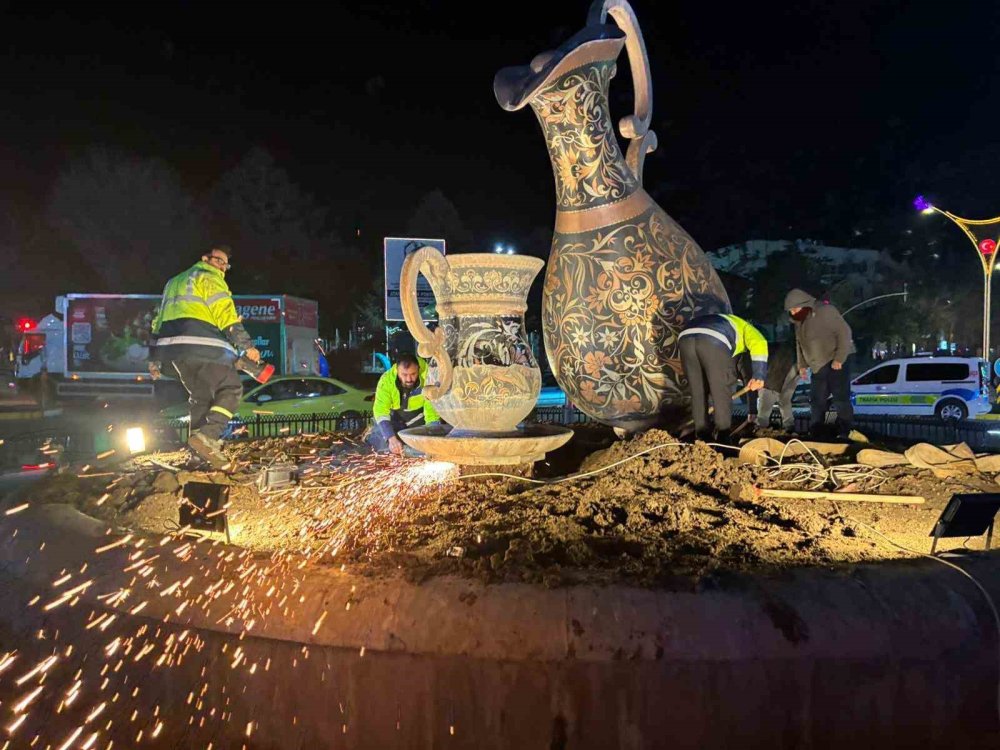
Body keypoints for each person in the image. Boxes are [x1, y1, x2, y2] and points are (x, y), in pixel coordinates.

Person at [148, 245, 260, 469]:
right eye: (218, 260)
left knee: (201, 398)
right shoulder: (208, 277)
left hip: (176, 353)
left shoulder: (174, 282)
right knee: (231, 389)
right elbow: (225, 313)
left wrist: (154, 358)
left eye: (226, 264)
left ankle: (198, 455)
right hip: (203, 346)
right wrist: (247, 346)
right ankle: (208, 436)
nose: (222, 267)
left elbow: (158, 321)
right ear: (204, 258)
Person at [678, 313, 768, 441]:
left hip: (685, 337)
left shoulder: (730, 323)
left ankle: (702, 437)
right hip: (714, 338)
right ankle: (723, 437)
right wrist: (759, 375)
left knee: (698, 392)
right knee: (720, 392)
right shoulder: (749, 329)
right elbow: (760, 343)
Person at [784, 288, 855, 438]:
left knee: (840, 398)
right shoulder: (799, 321)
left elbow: (844, 332)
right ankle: (817, 431)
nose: (793, 313)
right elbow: (799, 344)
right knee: (816, 400)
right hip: (818, 365)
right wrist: (802, 365)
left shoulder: (826, 311)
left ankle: (845, 431)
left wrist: (839, 358)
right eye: (791, 310)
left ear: (805, 304)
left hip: (836, 361)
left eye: (795, 309)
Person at [368, 352, 441, 455]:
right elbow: (381, 411)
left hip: (419, 417)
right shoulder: (386, 381)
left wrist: (433, 433)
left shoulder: (429, 378)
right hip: (394, 417)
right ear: (397, 371)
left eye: (413, 374)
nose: (409, 379)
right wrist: (391, 438)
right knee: (382, 446)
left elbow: (431, 410)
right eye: (404, 375)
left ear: (419, 369)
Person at [756, 340, 798, 431]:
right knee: (784, 399)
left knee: (767, 397)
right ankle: (789, 427)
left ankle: (761, 428)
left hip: (777, 366)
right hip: (793, 361)